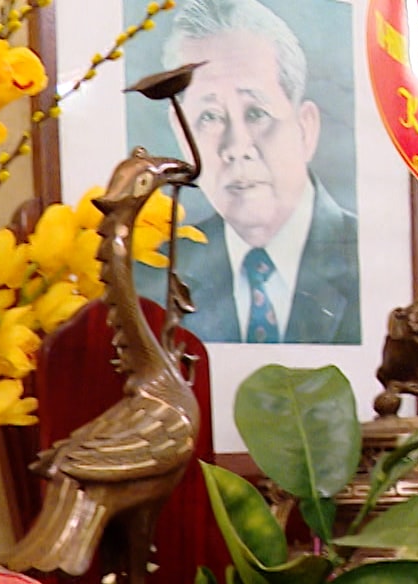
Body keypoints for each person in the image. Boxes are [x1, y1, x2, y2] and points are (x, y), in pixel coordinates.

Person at [161, 0, 361, 345]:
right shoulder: (153, 276)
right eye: (209, 117)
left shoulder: (371, 262)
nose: (236, 146)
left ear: (305, 129)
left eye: (256, 113)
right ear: (182, 135)